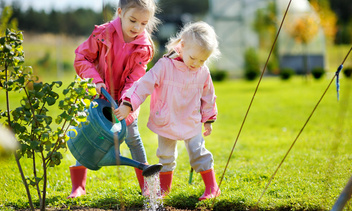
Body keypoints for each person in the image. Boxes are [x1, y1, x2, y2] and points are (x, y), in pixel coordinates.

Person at [114, 21, 221, 201]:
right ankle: (164, 190)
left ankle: (212, 187)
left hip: (191, 119)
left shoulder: (203, 72)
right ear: (182, 46)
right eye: (193, 58)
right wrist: (128, 104)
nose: (196, 63)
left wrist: (208, 119)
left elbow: (208, 96)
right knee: (165, 155)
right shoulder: (164, 66)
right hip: (166, 118)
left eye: (202, 60)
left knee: (198, 151)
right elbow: (143, 85)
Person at [68, 0, 160, 198]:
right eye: (133, 20)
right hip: (97, 96)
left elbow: (136, 80)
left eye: (144, 23)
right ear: (120, 12)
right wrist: (95, 81)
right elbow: (82, 57)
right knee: (88, 135)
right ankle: (78, 187)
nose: (137, 27)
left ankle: (147, 187)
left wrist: (127, 104)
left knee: (133, 137)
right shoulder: (102, 34)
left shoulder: (144, 47)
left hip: (126, 100)